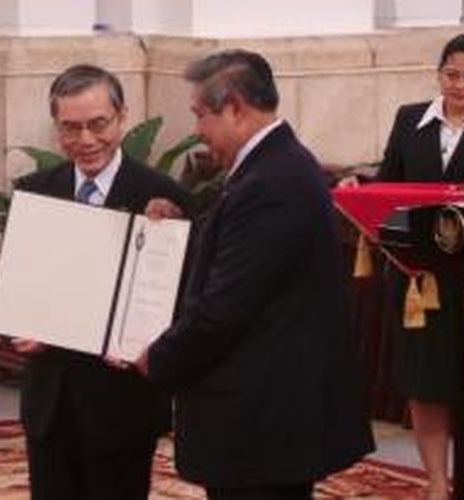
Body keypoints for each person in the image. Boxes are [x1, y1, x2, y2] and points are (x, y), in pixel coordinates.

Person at [136, 49, 374, 500]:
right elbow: (242, 257)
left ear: (235, 108)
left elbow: (225, 308)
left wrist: (159, 356)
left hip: (264, 422)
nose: (196, 130)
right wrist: (183, 224)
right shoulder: (275, 166)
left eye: (200, 115)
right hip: (265, 420)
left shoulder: (272, 182)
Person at [11, 64, 191, 500]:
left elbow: (182, 295)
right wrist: (21, 324)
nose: (86, 140)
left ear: (122, 117)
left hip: (122, 402)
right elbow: (23, 285)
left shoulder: (163, 199)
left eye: (98, 124)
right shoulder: (35, 191)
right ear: (56, 126)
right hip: (50, 401)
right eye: (71, 128)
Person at [376, 33, 464, 500]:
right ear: (439, 73)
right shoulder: (411, 120)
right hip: (418, 278)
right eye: (452, 75)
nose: (460, 85)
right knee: (425, 380)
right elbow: (388, 187)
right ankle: (435, 482)